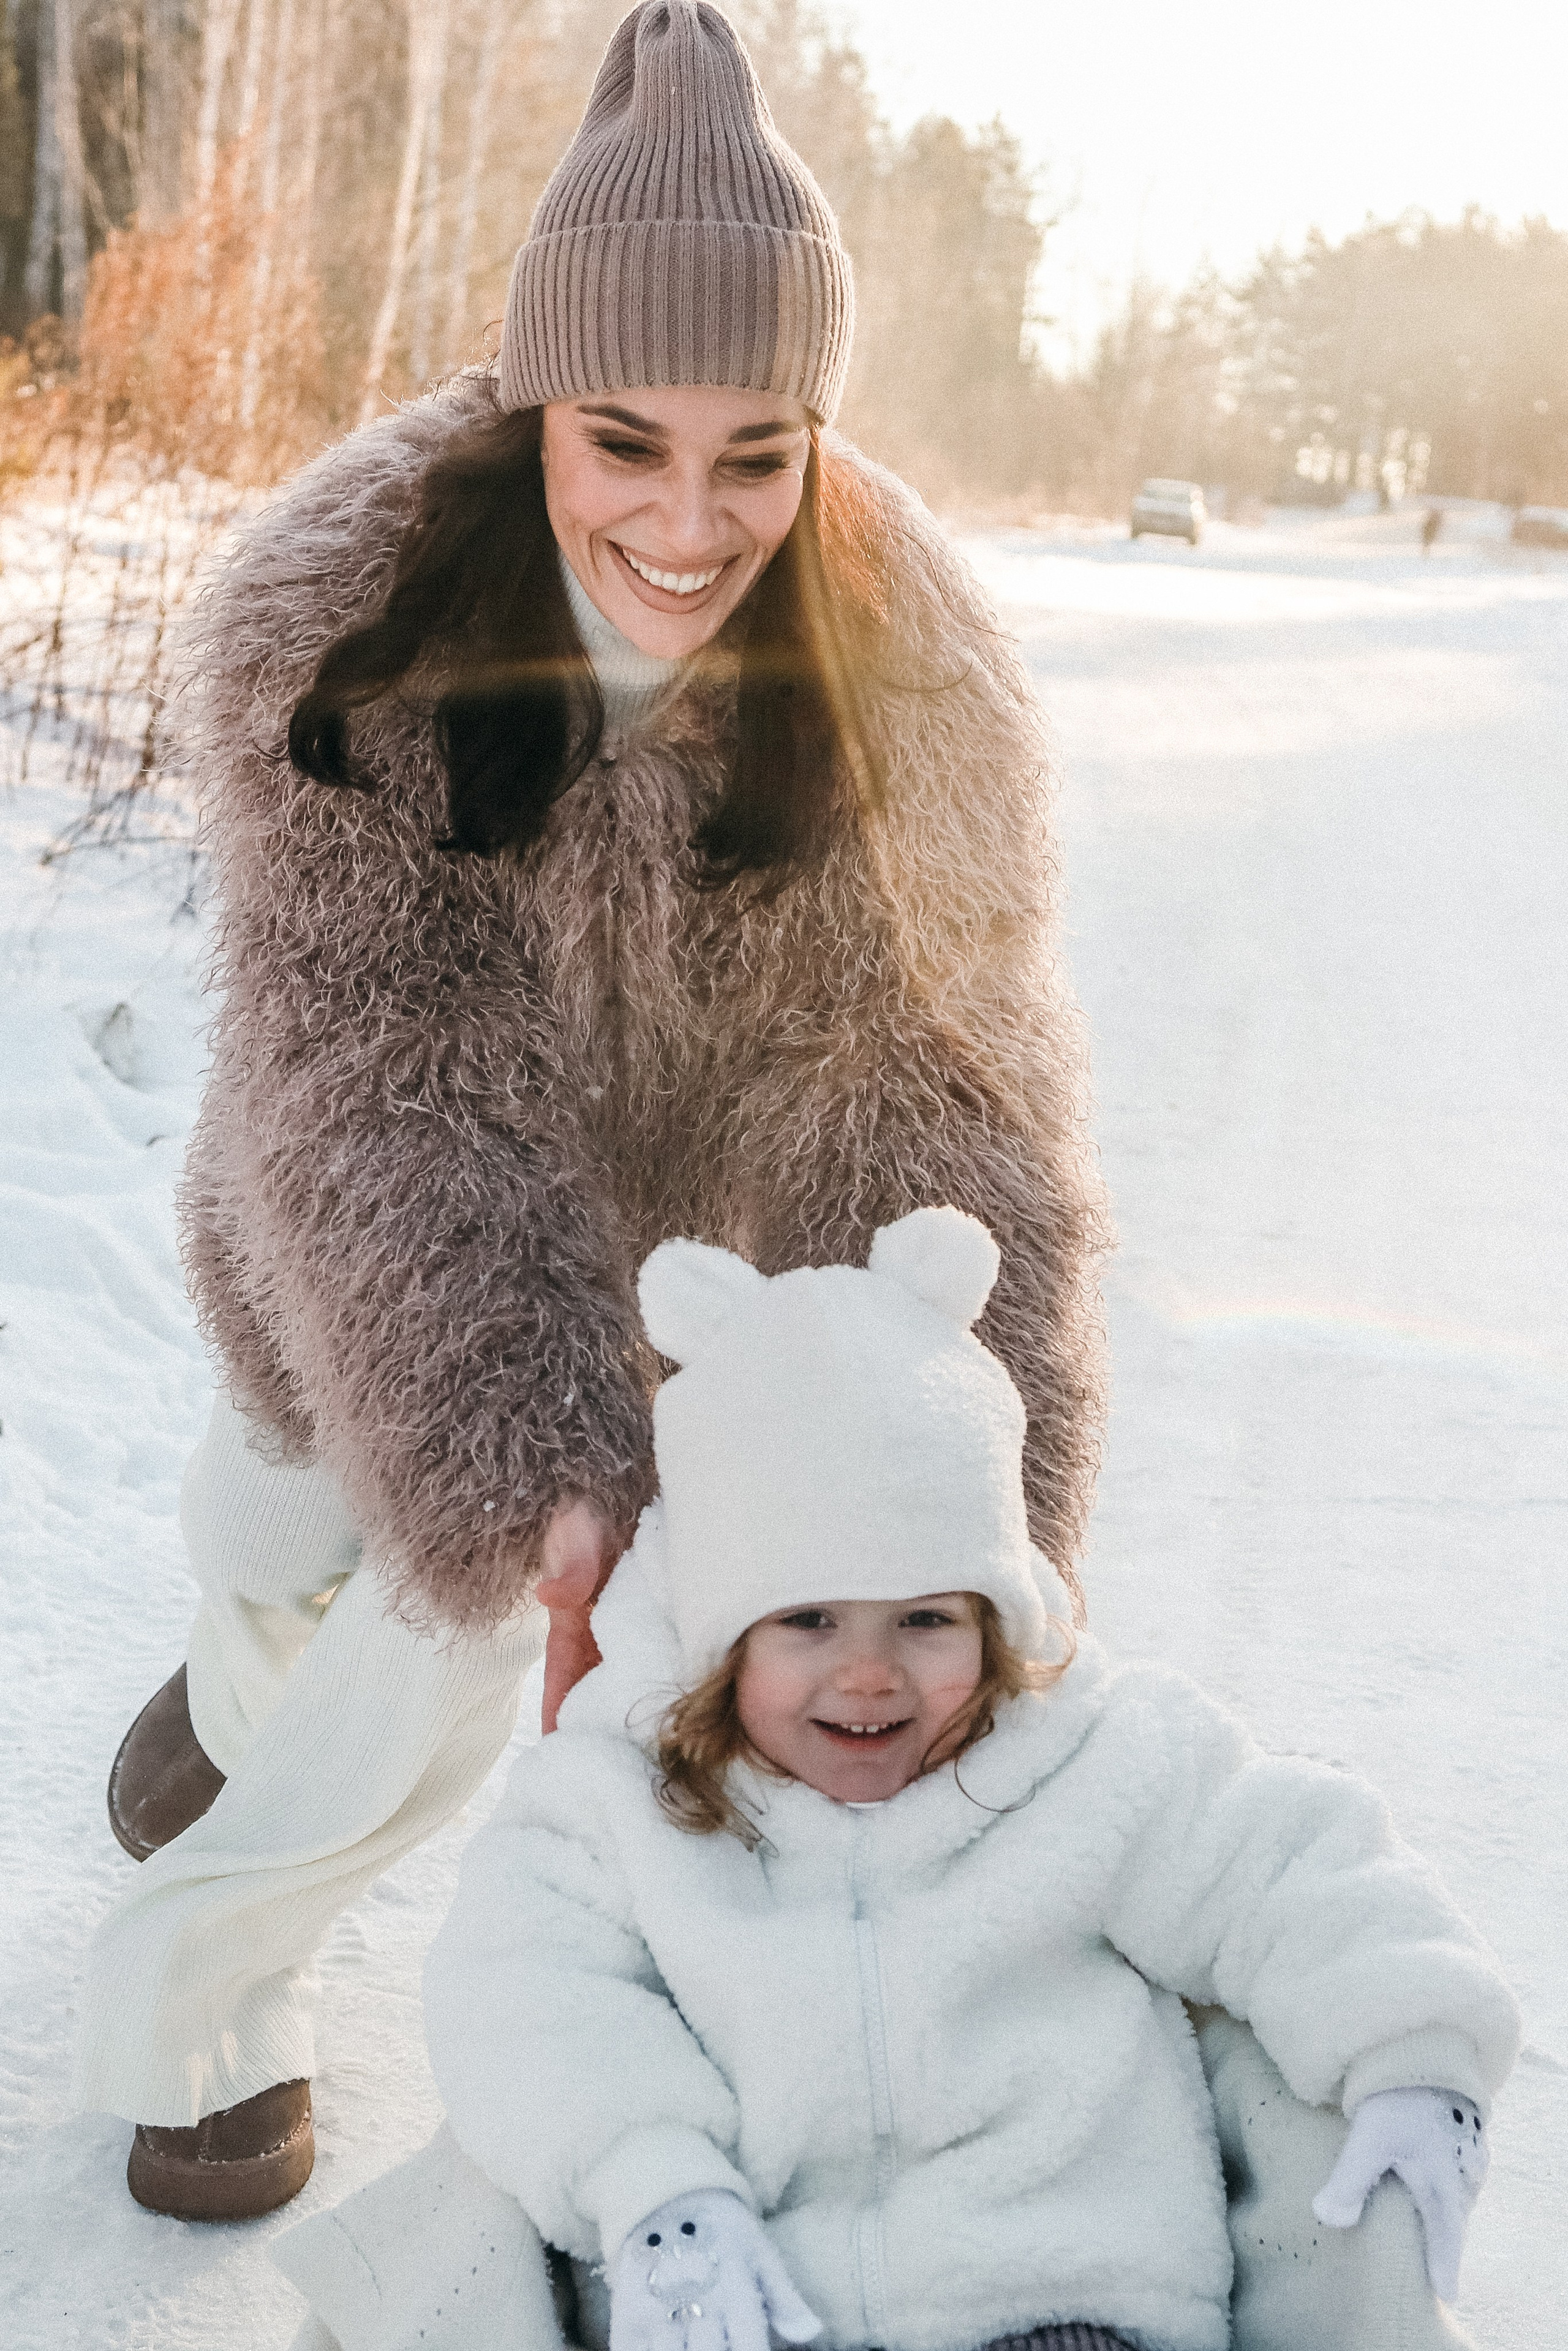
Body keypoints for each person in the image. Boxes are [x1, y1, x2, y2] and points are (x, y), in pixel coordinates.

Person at [77, 0, 1108, 2221]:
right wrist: (523, 1443)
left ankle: (195, 2003)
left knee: (440, 1645)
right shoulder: (334, 617)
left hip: (701, 1275)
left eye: (760, 453)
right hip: (354, 1219)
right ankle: (229, 1705)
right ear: (534, 394)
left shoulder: (908, 657)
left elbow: (938, 1076)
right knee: (287, 1526)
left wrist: (953, 1482)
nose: (688, 515)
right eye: (625, 439)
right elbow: (380, 1074)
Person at [275, 1207, 1518, 2351]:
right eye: (807, 1617)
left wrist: (1413, 2050)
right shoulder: (617, 1809)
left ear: (995, 1609)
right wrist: (656, 2182)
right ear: (718, 1631)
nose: (868, 1675)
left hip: (1061, 2294)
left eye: (924, 1615)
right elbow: (524, 2002)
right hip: (744, 2290)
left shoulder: (1093, 1761)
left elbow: (1286, 1865)